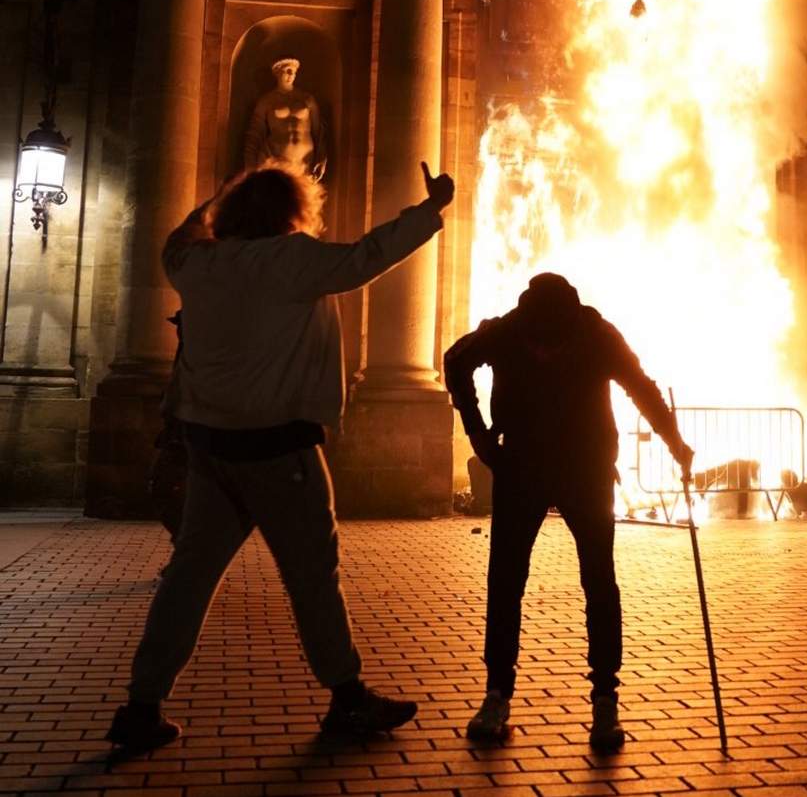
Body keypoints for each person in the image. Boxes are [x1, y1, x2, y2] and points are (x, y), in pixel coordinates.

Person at [105, 160, 454, 754]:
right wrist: (431, 209)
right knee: (313, 577)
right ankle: (346, 698)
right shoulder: (291, 261)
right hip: (279, 450)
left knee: (188, 578)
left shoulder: (197, 265)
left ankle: (142, 704)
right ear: (292, 212)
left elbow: (176, 240)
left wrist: (215, 199)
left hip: (210, 448)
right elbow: (370, 254)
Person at [443, 273, 695, 753]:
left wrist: (675, 441)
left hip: (587, 468)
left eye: (552, 344)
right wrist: (475, 431)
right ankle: (497, 693)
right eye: (536, 344)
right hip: (523, 467)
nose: (543, 352)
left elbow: (641, 388)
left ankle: (604, 699)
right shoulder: (506, 330)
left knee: (598, 581)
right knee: (507, 578)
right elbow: (456, 362)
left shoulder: (597, 335)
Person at [242, 57, 329, 180]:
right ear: (277, 72)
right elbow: (254, 133)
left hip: (304, 161)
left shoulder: (307, 99)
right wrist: (250, 165)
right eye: (287, 70)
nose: (291, 74)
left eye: (293, 71)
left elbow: (318, 133)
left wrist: (322, 156)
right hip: (274, 158)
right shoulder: (266, 101)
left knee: (301, 198)